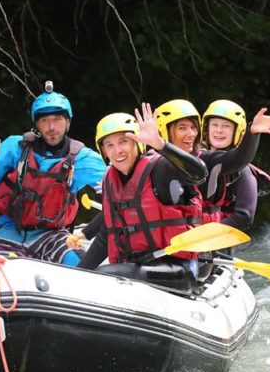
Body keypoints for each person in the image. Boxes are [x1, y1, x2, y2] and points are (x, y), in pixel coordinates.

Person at [0, 82, 106, 266]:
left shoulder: (83, 158)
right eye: (44, 121)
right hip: (8, 230)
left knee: (81, 267)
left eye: (57, 119)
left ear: (68, 122)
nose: (51, 127)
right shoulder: (16, 147)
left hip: (53, 235)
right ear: (36, 125)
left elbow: (116, 183)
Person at [77, 106, 208, 289]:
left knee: (104, 276)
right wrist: (77, 275)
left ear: (137, 143)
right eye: (110, 145)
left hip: (178, 268)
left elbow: (199, 173)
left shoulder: (160, 169)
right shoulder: (110, 182)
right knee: (91, 275)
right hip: (137, 266)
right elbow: (106, 236)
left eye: (123, 141)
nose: (118, 151)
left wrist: (162, 145)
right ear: (104, 152)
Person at [201, 99, 270, 230]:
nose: (219, 130)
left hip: (214, 244)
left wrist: (203, 234)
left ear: (238, 131)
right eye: (214, 125)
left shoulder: (243, 171)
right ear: (206, 128)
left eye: (226, 126)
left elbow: (244, 217)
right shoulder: (197, 159)